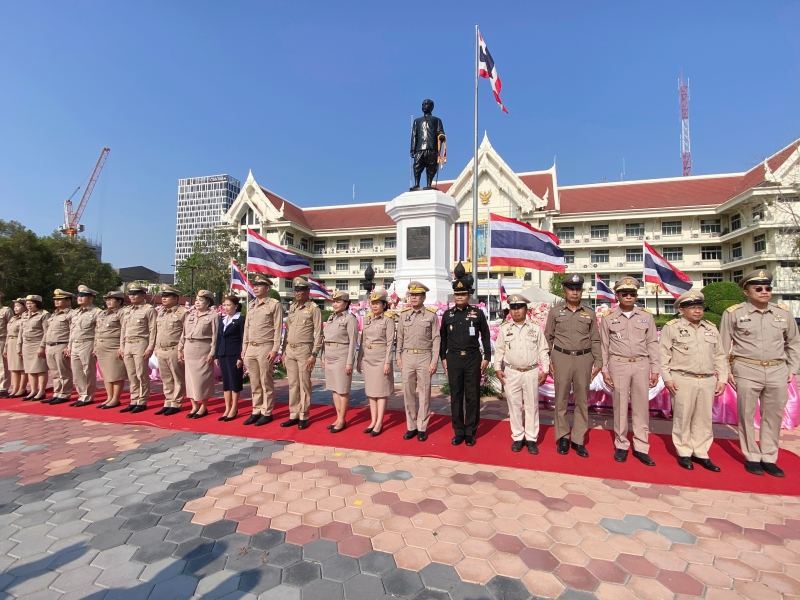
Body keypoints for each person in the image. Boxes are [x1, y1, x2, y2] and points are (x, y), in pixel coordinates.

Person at [720, 269, 800, 477]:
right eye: (758, 288)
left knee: (773, 416)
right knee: (746, 415)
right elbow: (723, 346)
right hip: (747, 368)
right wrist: (726, 371)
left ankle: (769, 457)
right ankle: (752, 456)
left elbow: (794, 342)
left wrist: (792, 368)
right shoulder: (733, 313)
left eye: (767, 288)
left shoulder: (783, 313)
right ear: (746, 292)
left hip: (777, 369)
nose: (764, 291)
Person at [659, 291, 727, 472]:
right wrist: (667, 378)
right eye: (692, 308)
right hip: (682, 378)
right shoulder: (672, 328)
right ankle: (684, 451)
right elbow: (663, 354)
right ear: (681, 310)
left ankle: (701, 452)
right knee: (682, 416)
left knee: (704, 418)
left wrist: (722, 378)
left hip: (707, 379)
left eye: (699, 307)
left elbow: (720, 355)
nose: (697, 311)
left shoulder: (711, 328)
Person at [600, 277, 660, 466]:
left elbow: (652, 343)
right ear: (617, 296)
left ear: (636, 296)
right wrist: (604, 369)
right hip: (619, 364)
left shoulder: (646, 316)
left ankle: (641, 446)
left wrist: (655, 369)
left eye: (632, 293)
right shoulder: (608, 317)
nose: (628, 296)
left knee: (641, 407)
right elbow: (604, 345)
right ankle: (621, 444)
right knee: (619, 406)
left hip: (641, 364)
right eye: (624, 293)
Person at [543, 273, 602, 458]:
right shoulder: (555, 312)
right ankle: (562, 437)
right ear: (564, 291)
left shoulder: (589, 313)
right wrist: (547, 361)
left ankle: (578, 439)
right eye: (571, 289)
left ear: (581, 291)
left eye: (578, 289)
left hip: (584, 359)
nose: (575, 293)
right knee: (560, 399)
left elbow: (595, 339)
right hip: (561, 358)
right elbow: (548, 337)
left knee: (581, 400)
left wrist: (599, 361)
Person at [440, 267, 491, 446]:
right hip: (454, 359)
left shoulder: (477, 313)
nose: (459, 297)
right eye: (457, 294)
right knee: (455, 396)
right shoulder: (448, 315)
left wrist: (487, 356)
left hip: (472, 358)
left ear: (469, 296)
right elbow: (443, 337)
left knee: (472, 395)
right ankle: (459, 431)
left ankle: (470, 431)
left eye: (463, 294)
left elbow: (485, 335)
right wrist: (443, 358)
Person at [494, 295, 550, 454]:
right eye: (513, 308)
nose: (516, 311)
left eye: (519, 307)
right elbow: (499, 349)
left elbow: (543, 350)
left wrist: (545, 370)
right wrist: (497, 368)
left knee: (532, 406)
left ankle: (531, 438)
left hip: (531, 371)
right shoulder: (505, 328)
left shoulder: (535, 328)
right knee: (514, 405)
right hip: (511, 372)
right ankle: (518, 436)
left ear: (526, 309)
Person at [396, 281, 440, 442]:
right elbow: (399, 337)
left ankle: (422, 427)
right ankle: (411, 426)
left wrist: (434, 360)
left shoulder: (431, 315)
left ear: (424, 297)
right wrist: (398, 357)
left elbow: (436, 339)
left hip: (424, 357)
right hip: (407, 356)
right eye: (412, 295)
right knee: (408, 393)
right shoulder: (403, 315)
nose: (413, 298)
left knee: (424, 393)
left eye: (417, 295)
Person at [281, 276, 323, 430]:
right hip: (290, 349)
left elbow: (319, 333)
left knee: (304, 384)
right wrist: (284, 351)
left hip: (304, 350)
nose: (297, 293)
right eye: (295, 290)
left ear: (307, 291)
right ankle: (294, 414)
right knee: (293, 384)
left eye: (300, 290)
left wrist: (314, 354)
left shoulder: (313, 308)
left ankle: (304, 415)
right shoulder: (292, 308)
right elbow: (287, 331)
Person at [242, 274, 283, 426]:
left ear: (267, 288)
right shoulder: (251, 305)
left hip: (265, 347)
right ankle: (256, 410)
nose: (256, 287)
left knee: (266, 381)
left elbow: (278, 328)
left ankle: (267, 411)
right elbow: (247, 328)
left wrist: (275, 349)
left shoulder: (274, 305)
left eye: (259, 285)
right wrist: (244, 348)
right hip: (251, 348)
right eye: (255, 285)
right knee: (254, 382)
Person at [356, 287, 395, 437]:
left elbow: (390, 342)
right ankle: (373, 421)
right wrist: (359, 359)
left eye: (378, 303)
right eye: (373, 303)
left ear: (384, 305)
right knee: (371, 392)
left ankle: (379, 422)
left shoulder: (388, 321)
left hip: (381, 358)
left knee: (381, 392)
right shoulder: (367, 320)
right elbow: (363, 340)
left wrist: (387, 362)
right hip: (368, 358)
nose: (375, 306)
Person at [179, 290, 219, 419]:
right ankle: (194, 406)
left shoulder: (213, 316)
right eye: (196, 300)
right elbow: (183, 334)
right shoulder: (190, 315)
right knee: (190, 379)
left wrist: (212, 353)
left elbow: (215, 337)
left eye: (201, 300)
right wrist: (180, 349)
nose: (197, 302)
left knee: (202, 380)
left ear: (208, 302)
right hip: (189, 349)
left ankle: (203, 407)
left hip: (203, 350)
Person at [321, 292, 358, 433]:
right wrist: (323, 356)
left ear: (346, 303)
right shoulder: (331, 318)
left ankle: (342, 419)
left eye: (338, 301)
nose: (335, 304)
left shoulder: (350, 319)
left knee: (342, 389)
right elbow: (325, 339)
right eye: (334, 301)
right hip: (329, 355)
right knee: (334, 389)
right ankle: (338, 417)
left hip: (342, 356)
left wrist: (350, 362)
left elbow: (353, 342)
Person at [119, 283, 156, 414]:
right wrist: (121, 346)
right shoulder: (127, 310)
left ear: (143, 295)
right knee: (131, 374)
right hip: (128, 344)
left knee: (141, 374)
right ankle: (134, 399)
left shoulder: (148, 310)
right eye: (130, 294)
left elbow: (153, 330)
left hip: (141, 343)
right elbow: (123, 330)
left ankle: (142, 400)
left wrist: (150, 347)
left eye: (135, 294)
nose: (132, 296)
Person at [154, 285, 188, 417]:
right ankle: (168, 401)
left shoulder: (182, 312)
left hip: (174, 349)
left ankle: (176, 403)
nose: (164, 298)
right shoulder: (161, 312)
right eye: (163, 296)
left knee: (177, 378)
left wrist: (181, 349)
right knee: (166, 378)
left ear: (175, 298)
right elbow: (158, 332)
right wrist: (156, 347)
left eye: (167, 296)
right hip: (161, 349)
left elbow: (185, 333)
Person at [67, 285, 102, 407]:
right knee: (76, 371)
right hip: (75, 343)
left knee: (87, 370)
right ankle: (81, 394)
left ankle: (88, 396)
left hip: (87, 343)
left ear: (91, 298)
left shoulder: (96, 312)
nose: (80, 298)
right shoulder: (75, 312)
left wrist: (96, 347)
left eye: (83, 296)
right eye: (79, 296)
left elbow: (98, 331)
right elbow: (72, 330)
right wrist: (69, 345)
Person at [95, 291, 127, 409]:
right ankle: (109, 397)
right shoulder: (103, 313)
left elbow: (124, 330)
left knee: (116, 373)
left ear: (119, 301)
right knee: (106, 374)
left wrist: (122, 346)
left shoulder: (122, 313)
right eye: (107, 299)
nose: (108, 302)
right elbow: (97, 330)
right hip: (102, 345)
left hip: (114, 346)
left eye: (111, 299)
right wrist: (95, 346)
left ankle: (115, 398)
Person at [216, 295, 246, 421]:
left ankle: (234, 408)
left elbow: (243, 338)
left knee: (235, 381)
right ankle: (227, 408)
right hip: (223, 353)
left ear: (236, 306)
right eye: (225, 305)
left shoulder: (240, 319)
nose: (226, 307)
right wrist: (216, 355)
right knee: (226, 381)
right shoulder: (222, 320)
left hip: (234, 354)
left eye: (229, 305)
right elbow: (219, 339)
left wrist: (240, 357)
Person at [45, 289, 75, 405]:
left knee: (64, 372)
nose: (56, 301)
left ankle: (65, 393)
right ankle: (57, 392)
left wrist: (69, 346)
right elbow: (47, 331)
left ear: (68, 301)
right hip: (50, 345)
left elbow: (72, 331)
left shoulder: (71, 314)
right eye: (55, 300)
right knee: (55, 372)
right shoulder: (54, 314)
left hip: (61, 345)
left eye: (60, 299)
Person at [18, 295, 49, 401]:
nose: (29, 305)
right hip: (26, 345)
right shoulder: (25, 315)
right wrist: (19, 346)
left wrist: (42, 346)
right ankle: (33, 391)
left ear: (37, 304)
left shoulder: (44, 314)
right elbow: (21, 332)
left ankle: (41, 391)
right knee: (30, 369)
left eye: (31, 303)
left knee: (40, 369)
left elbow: (46, 332)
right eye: (27, 304)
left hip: (37, 343)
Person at [410, 98, 446, 190]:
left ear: (432, 107)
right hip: (420, 148)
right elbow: (414, 135)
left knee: (431, 166)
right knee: (417, 165)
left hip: (432, 147)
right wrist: (413, 149)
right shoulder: (417, 121)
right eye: (423, 104)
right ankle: (417, 184)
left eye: (426, 104)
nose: (424, 106)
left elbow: (440, 131)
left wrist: (441, 136)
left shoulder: (437, 120)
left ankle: (429, 184)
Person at [5, 299, 27, 397]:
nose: (15, 308)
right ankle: (15, 389)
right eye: (14, 306)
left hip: (20, 343)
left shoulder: (26, 318)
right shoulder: (13, 318)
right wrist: (5, 347)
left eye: (18, 306)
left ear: (24, 307)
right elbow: (8, 333)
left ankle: (22, 389)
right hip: (11, 342)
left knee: (21, 367)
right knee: (13, 368)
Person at [0, 291, 11, 398]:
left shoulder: (6, 311)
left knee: (3, 365)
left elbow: (11, 327)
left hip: (2, 339)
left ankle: (3, 388)